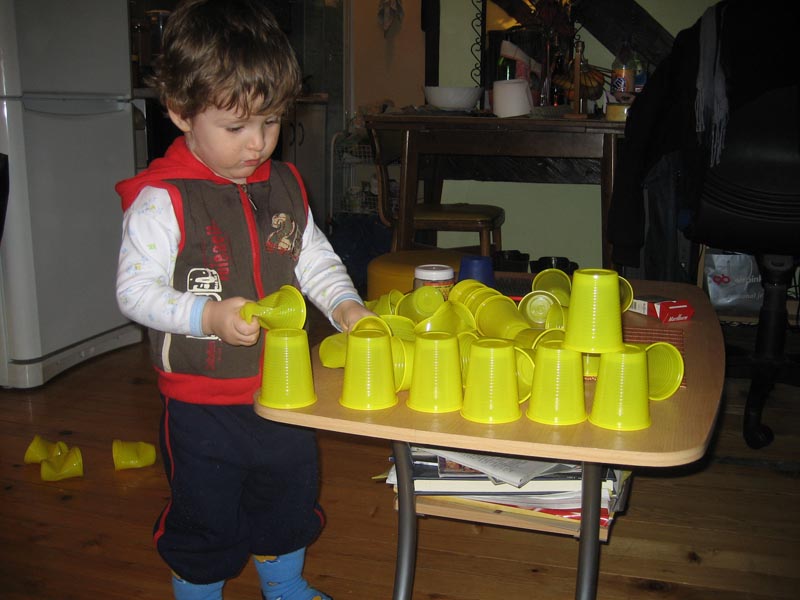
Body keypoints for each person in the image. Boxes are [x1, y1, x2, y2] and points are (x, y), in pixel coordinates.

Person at [115, 1, 372, 598]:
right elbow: (134, 292)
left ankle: (284, 586)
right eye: (236, 128)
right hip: (200, 405)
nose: (258, 143)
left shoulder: (283, 185)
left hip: (285, 391)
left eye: (272, 121)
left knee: (288, 498)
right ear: (181, 112)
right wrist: (204, 315)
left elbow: (313, 259)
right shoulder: (163, 200)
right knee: (204, 517)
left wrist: (345, 306)